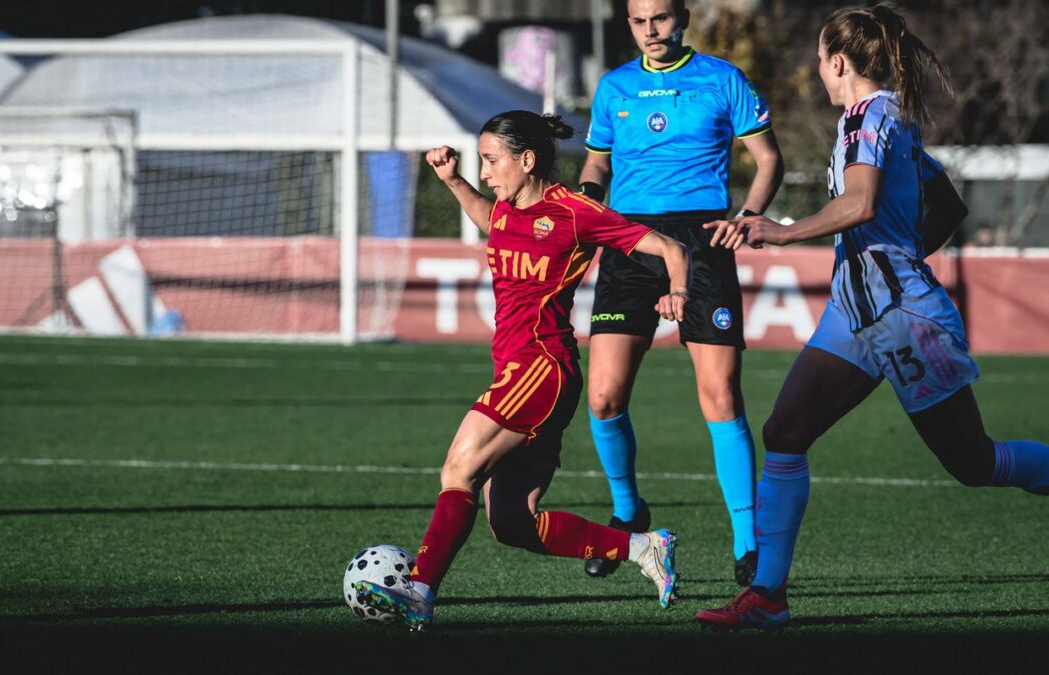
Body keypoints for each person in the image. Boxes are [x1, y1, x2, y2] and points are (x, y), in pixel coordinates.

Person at [695, 3, 1049, 630]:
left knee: (974, 464)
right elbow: (947, 204)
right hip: (856, 312)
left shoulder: (870, 118)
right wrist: (897, 256)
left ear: (837, 62)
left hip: (902, 316)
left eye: (819, 61)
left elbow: (859, 204)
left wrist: (780, 232)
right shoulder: (885, 118)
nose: (819, 71)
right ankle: (768, 595)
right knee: (785, 432)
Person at [354, 110, 693, 631]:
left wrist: (677, 290)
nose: (485, 172)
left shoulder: (574, 212)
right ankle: (644, 547)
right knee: (511, 522)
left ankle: (419, 589)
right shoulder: (506, 212)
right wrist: (454, 182)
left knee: (458, 467)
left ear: (527, 159)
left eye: (492, 161)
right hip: (518, 372)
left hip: (542, 367)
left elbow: (669, 247)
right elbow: (490, 219)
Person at [577, 0, 784, 585]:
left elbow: (769, 159)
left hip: (703, 240)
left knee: (720, 396)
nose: (651, 30)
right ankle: (628, 512)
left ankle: (748, 543)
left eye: (661, 18)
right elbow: (597, 166)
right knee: (603, 398)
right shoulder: (613, 87)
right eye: (639, 20)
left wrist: (747, 217)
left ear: (683, 16)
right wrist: (586, 201)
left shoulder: (722, 78)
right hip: (629, 242)